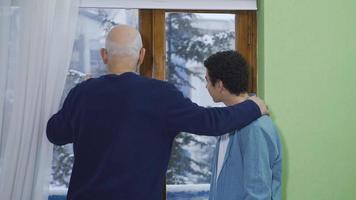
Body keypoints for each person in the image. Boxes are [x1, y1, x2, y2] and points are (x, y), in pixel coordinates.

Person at [46, 25, 268, 200]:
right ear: (141, 55)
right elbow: (211, 122)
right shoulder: (160, 95)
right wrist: (253, 106)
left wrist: (81, 96)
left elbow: (55, 133)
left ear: (104, 55)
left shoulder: (83, 93)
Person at [204, 51, 282, 200]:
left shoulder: (255, 127)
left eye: (207, 80)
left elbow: (258, 194)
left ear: (219, 85)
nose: (206, 86)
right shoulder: (228, 122)